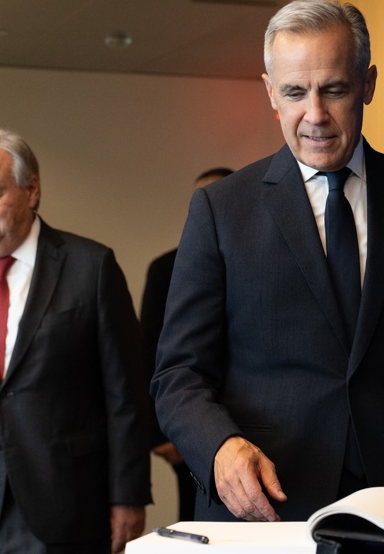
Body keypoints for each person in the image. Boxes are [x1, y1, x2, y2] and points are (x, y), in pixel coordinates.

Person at [150, 0, 384, 524]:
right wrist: (220, 446)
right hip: (264, 509)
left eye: (334, 90)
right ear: (271, 92)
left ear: (367, 84)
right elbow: (179, 373)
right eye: (295, 92)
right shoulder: (221, 209)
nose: (315, 115)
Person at [0, 127, 151, 554]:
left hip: (69, 508)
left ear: (31, 191)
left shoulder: (91, 268)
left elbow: (124, 393)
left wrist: (127, 495)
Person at [140, 167, 233, 522]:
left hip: (251, 423)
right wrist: (159, 433)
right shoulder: (166, 267)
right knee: (193, 521)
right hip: (189, 421)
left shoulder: (263, 258)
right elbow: (150, 351)